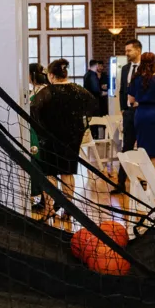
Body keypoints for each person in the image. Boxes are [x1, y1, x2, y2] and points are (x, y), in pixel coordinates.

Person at [30, 59, 97, 221]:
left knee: (50, 174)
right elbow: (93, 107)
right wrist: (79, 127)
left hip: (49, 139)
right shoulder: (80, 91)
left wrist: (42, 134)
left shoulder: (46, 93)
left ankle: (49, 209)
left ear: (51, 75)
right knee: (68, 173)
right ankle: (68, 211)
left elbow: (34, 114)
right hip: (71, 139)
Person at [129, 52, 155, 174]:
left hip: (140, 114)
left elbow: (130, 100)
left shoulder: (136, 78)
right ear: (154, 62)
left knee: (143, 149)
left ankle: (145, 181)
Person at [115, 40, 143, 193]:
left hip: (143, 111)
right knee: (126, 146)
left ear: (138, 50)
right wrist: (123, 109)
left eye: (129, 51)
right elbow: (121, 90)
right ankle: (120, 183)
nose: (126, 53)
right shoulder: (125, 69)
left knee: (143, 147)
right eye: (126, 51)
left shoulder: (147, 68)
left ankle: (143, 181)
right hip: (129, 113)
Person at [28, 63, 50, 211]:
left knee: (42, 166)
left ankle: (46, 201)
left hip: (40, 133)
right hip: (33, 131)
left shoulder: (44, 92)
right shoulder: (35, 91)